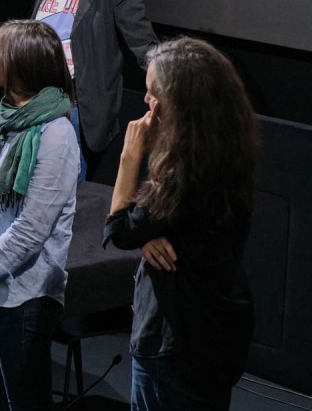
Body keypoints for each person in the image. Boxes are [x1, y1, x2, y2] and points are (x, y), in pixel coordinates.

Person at [103, 37, 257, 410]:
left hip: (177, 343)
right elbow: (155, 225)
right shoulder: (227, 152)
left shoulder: (184, 175)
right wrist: (149, 235)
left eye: (154, 93)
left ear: (183, 104)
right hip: (218, 336)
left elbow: (119, 230)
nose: (146, 101)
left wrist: (129, 155)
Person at [0, 20, 78, 410]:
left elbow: (32, 229)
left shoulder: (57, 134)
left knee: (23, 402)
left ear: (21, 64)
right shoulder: (3, 117)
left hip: (24, 294)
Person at [31, 0, 158, 180]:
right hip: (33, 94)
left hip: (74, 103)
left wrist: (166, 81)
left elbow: (144, 44)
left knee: (63, 184)